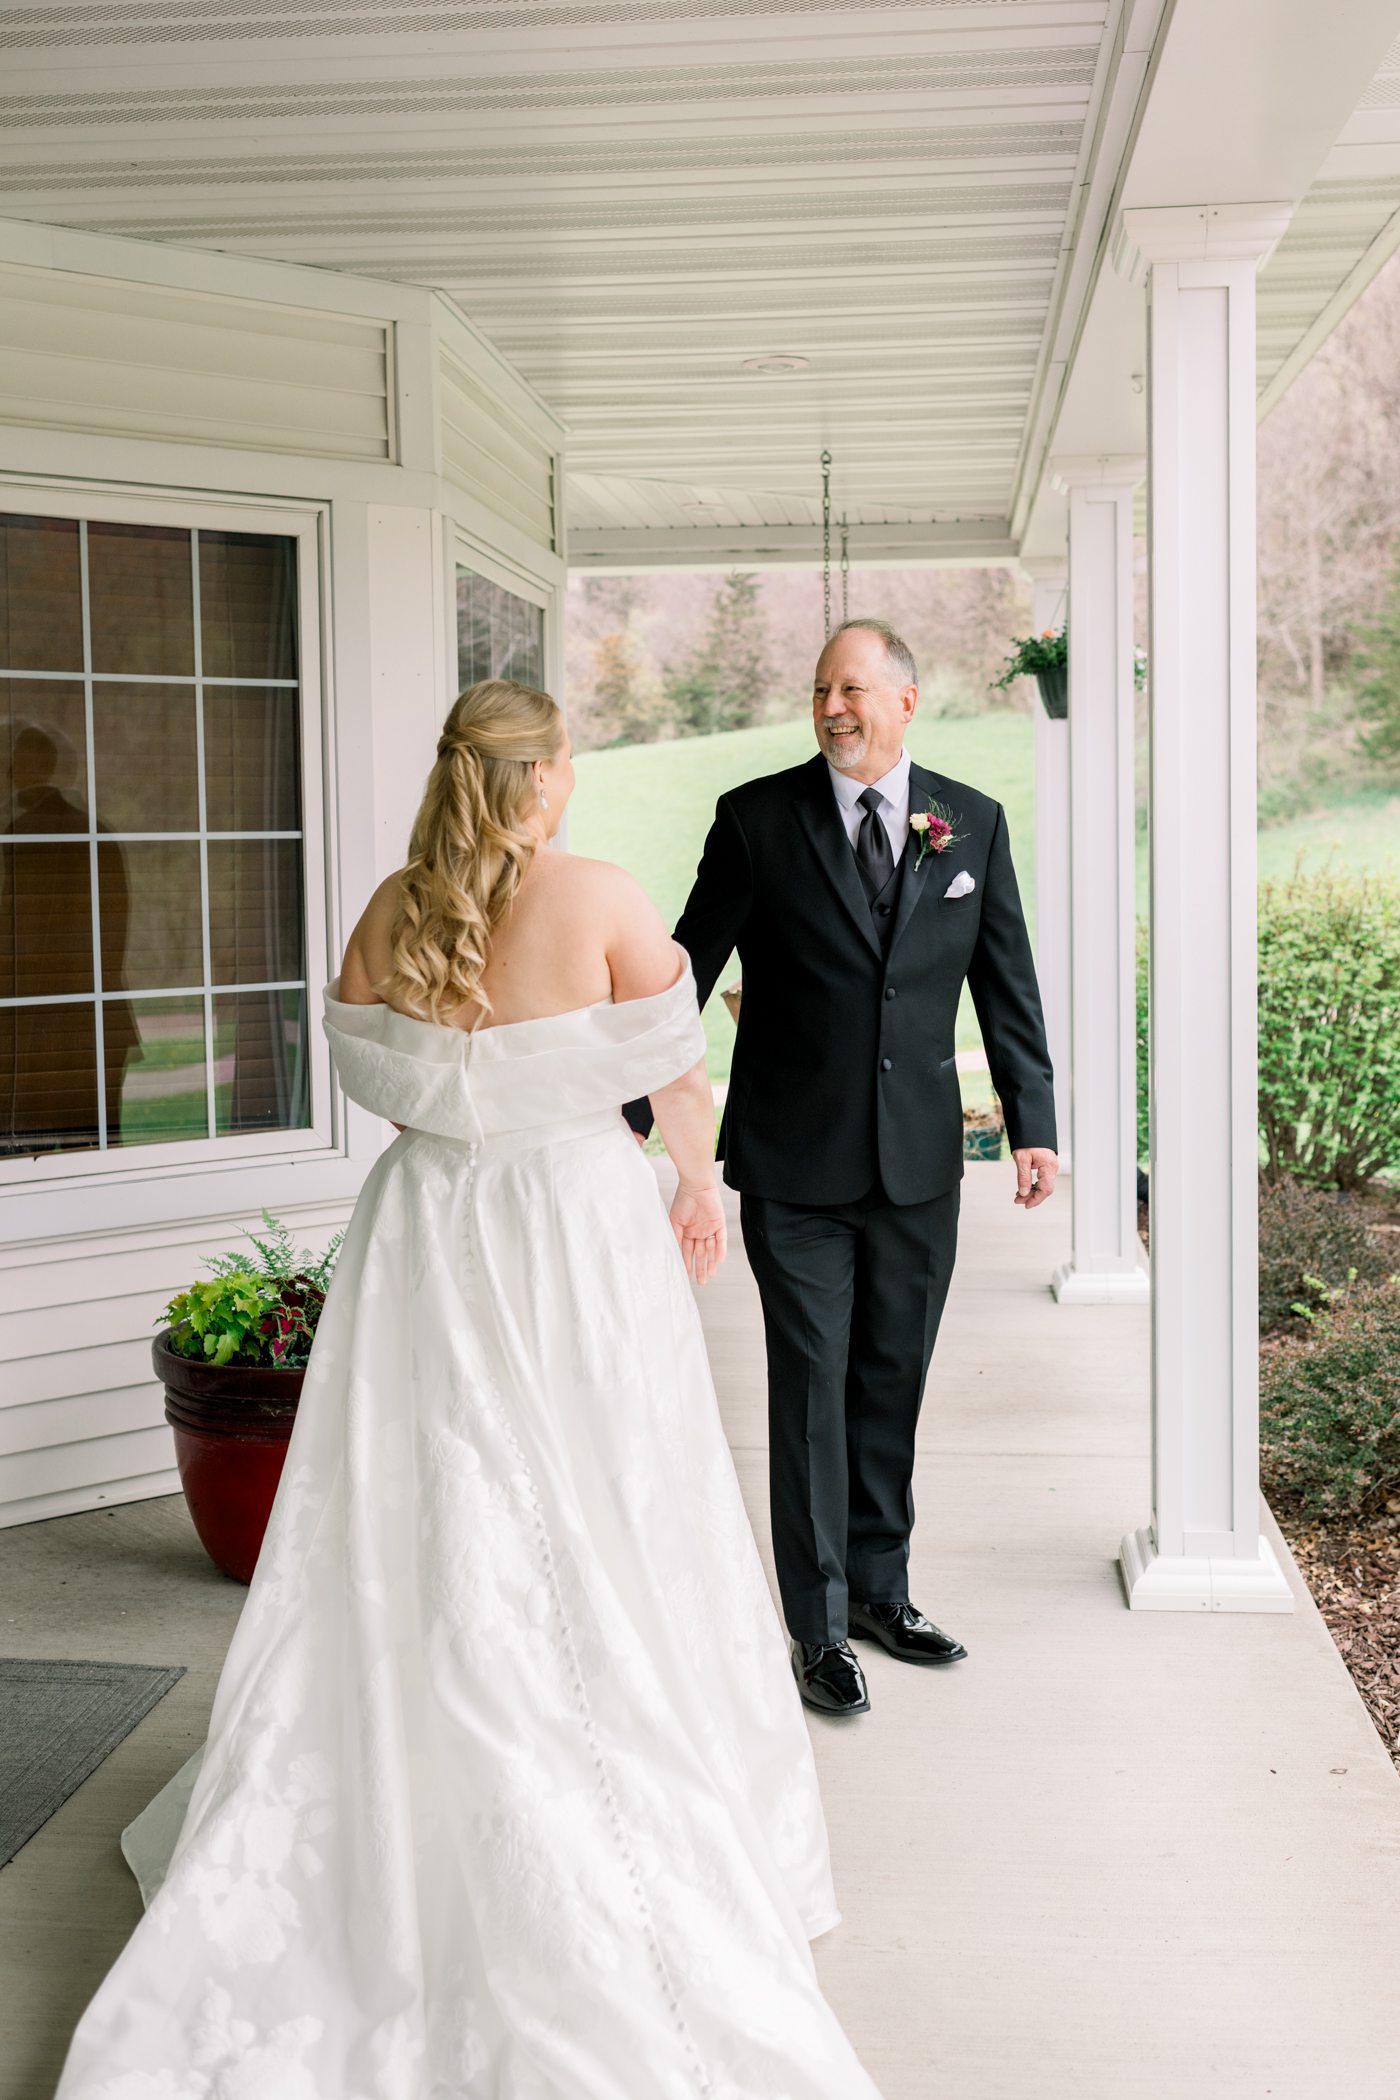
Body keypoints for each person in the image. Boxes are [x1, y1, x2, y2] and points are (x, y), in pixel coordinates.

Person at [52, 679, 885, 2099]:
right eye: (566, 764)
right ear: (543, 775)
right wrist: (695, 1188)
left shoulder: (390, 914)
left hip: (428, 1230)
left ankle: (425, 1756)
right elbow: (676, 1075)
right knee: (612, 1493)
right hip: (573, 1234)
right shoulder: (603, 898)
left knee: (429, 1495)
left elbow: (391, 1095)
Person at [625, 619, 1059, 1720]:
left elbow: (1004, 980)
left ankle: (881, 1593)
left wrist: (1033, 1122)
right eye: (821, 689)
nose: (831, 708)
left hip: (919, 1165)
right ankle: (817, 1628)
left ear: (905, 701)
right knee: (812, 1388)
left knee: (890, 1383)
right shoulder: (754, 820)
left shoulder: (970, 821)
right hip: (792, 1163)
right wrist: (628, 1112)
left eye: (853, 690)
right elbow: (687, 970)